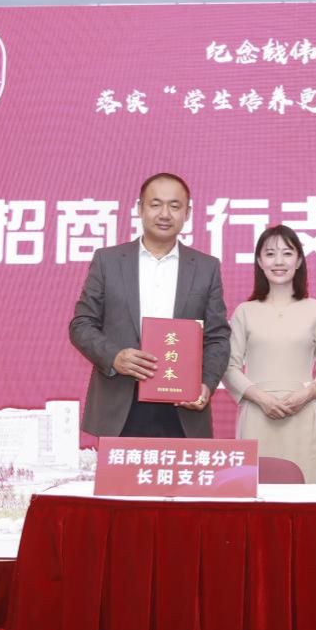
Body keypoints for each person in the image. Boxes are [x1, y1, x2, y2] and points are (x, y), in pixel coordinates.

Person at [69, 172, 230, 438]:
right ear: (140, 208)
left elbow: (218, 337)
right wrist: (114, 357)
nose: (165, 214)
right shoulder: (108, 261)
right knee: (121, 469)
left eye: (174, 206)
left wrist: (206, 384)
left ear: (187, 213)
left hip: (183, 407)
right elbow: (81, 324)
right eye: (155, 204)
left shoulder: (206, 267)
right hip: (120, 403)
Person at [223, 225, 316, 483]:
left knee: (305, 493)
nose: (278, 261)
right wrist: (261, 398)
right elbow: (229, 367)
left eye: (287, 253)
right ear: (259, 261)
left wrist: (306, 394)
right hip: (256, 413)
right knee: (255, 492)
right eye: (270, 254)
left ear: (299, 261)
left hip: (302, 412)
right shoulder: (244, 311)